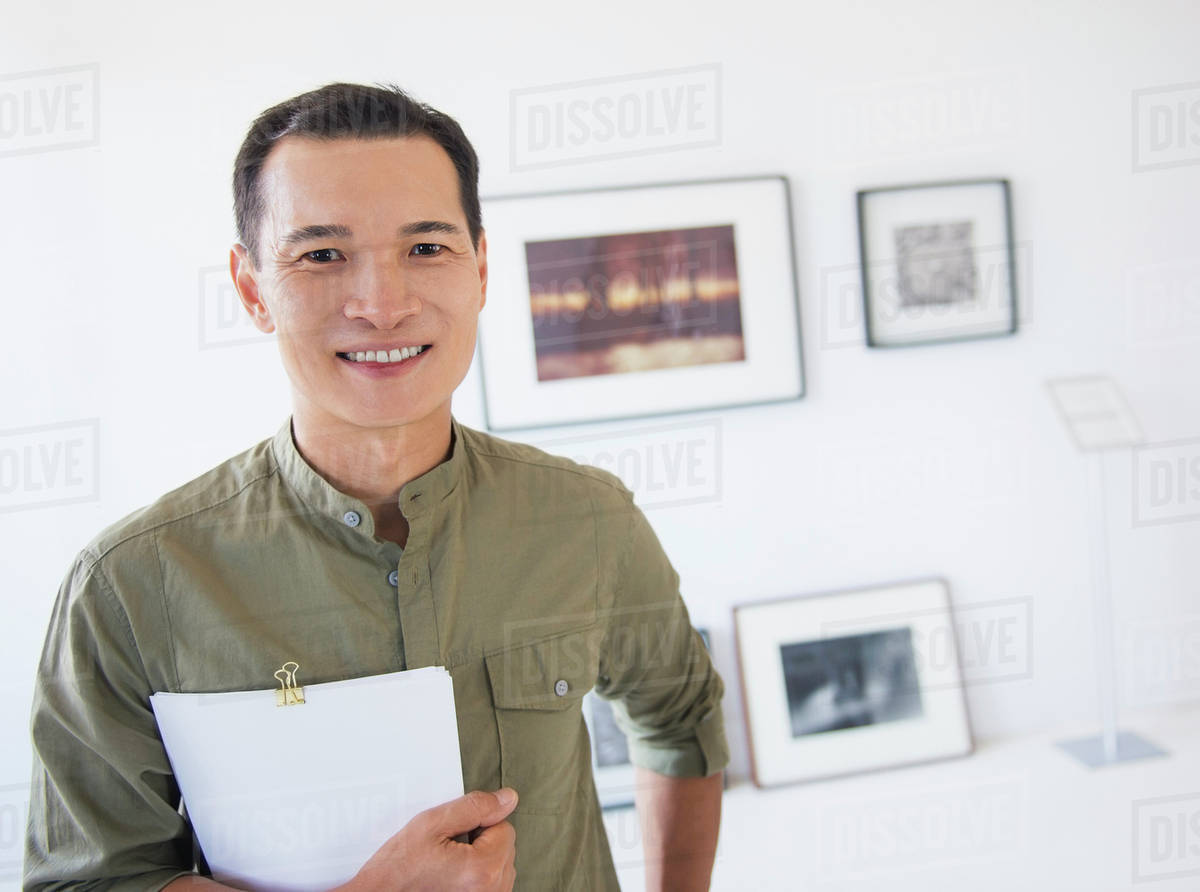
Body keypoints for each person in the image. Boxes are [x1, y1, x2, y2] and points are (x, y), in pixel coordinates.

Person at [24, 82, 729, 891]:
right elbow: (87, 882)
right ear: (252, 287)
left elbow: (684, 722)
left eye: (426, 248)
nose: (383, 305)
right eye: (322, 255)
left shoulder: (589, 519)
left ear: (481, 268)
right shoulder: (128, 586)